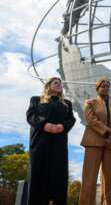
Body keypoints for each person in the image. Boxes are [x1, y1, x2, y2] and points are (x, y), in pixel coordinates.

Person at [26, 77, 76, 205]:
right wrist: (43, 124)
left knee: (58, 176)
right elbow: (30, 116)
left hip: (58, 144)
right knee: (38, 175)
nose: (59, 85)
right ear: (48, 85)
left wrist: (62, 126)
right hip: (40, 144)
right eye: (56, 83)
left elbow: (71, 120)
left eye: (60, 84)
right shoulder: (36, 100)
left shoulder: (67, 104)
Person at [79, 78, 111, 205]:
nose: (106, 88)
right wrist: (108, 131)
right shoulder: (90, 103)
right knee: (90, 177)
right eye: (103, 86)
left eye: (108, 86)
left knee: (109, 178)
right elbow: (91, 120)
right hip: (93, 142)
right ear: (97, 89)